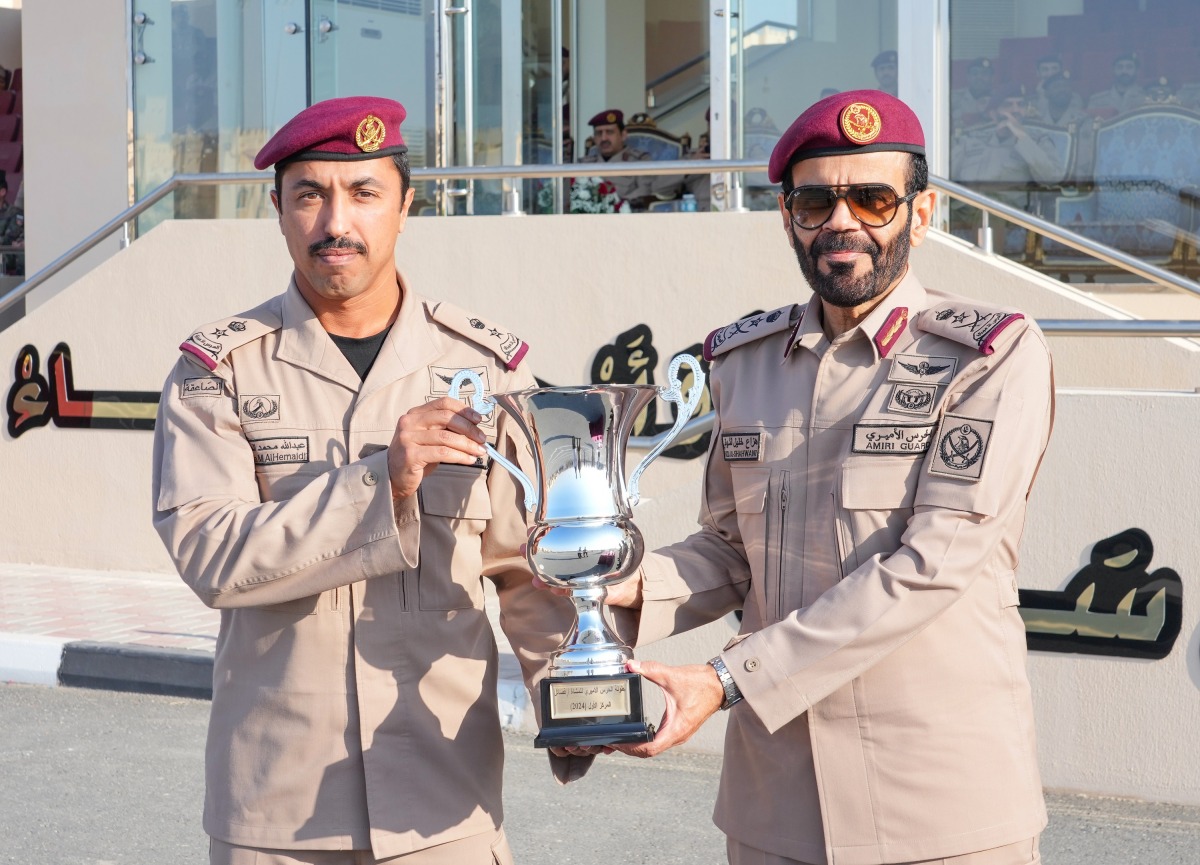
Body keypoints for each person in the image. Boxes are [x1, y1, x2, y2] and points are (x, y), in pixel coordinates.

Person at [603, 89, 1054, 865]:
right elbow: (728, 549)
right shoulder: (743, 362)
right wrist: (616, 586)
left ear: (920, 212)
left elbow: (929, 566)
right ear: (788, 218)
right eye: (816, 200)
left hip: (940, 806)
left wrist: (724, 677)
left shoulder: (989, 358)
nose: (842, 221)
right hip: (777, 806)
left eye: (873, 197)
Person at [151, 96, 583, 865]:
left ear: (407, 205)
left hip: (444, 806)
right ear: (277, 208)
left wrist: (575, 697)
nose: (334, 222)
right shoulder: (216, 372)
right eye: (309, 194)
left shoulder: (487, 370)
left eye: (363, 193)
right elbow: (210, 551)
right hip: (278, 813)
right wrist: (382, 481)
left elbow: (524, 570)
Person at [579, 108, 655, 210]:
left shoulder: (639, 161)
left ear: (623, 135)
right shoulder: (584, 164)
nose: (604, 138)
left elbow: (645, 192)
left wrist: (615, 205)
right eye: (599, 133)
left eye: (609, 132)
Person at [1030, 55, 1082, 122]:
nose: (1050, 73)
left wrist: (1043, 97)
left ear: (1061, 71)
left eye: (1054, 69)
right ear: (1038, 73)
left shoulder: (1073, 97)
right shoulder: (1031, 100)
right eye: (1045, 69)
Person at [949, 57, 994, 129]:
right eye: (975, 73)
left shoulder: (1000, 100)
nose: (979, 77)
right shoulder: (952, 98)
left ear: (992, 78)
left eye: (984, 73)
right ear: (968, 77)